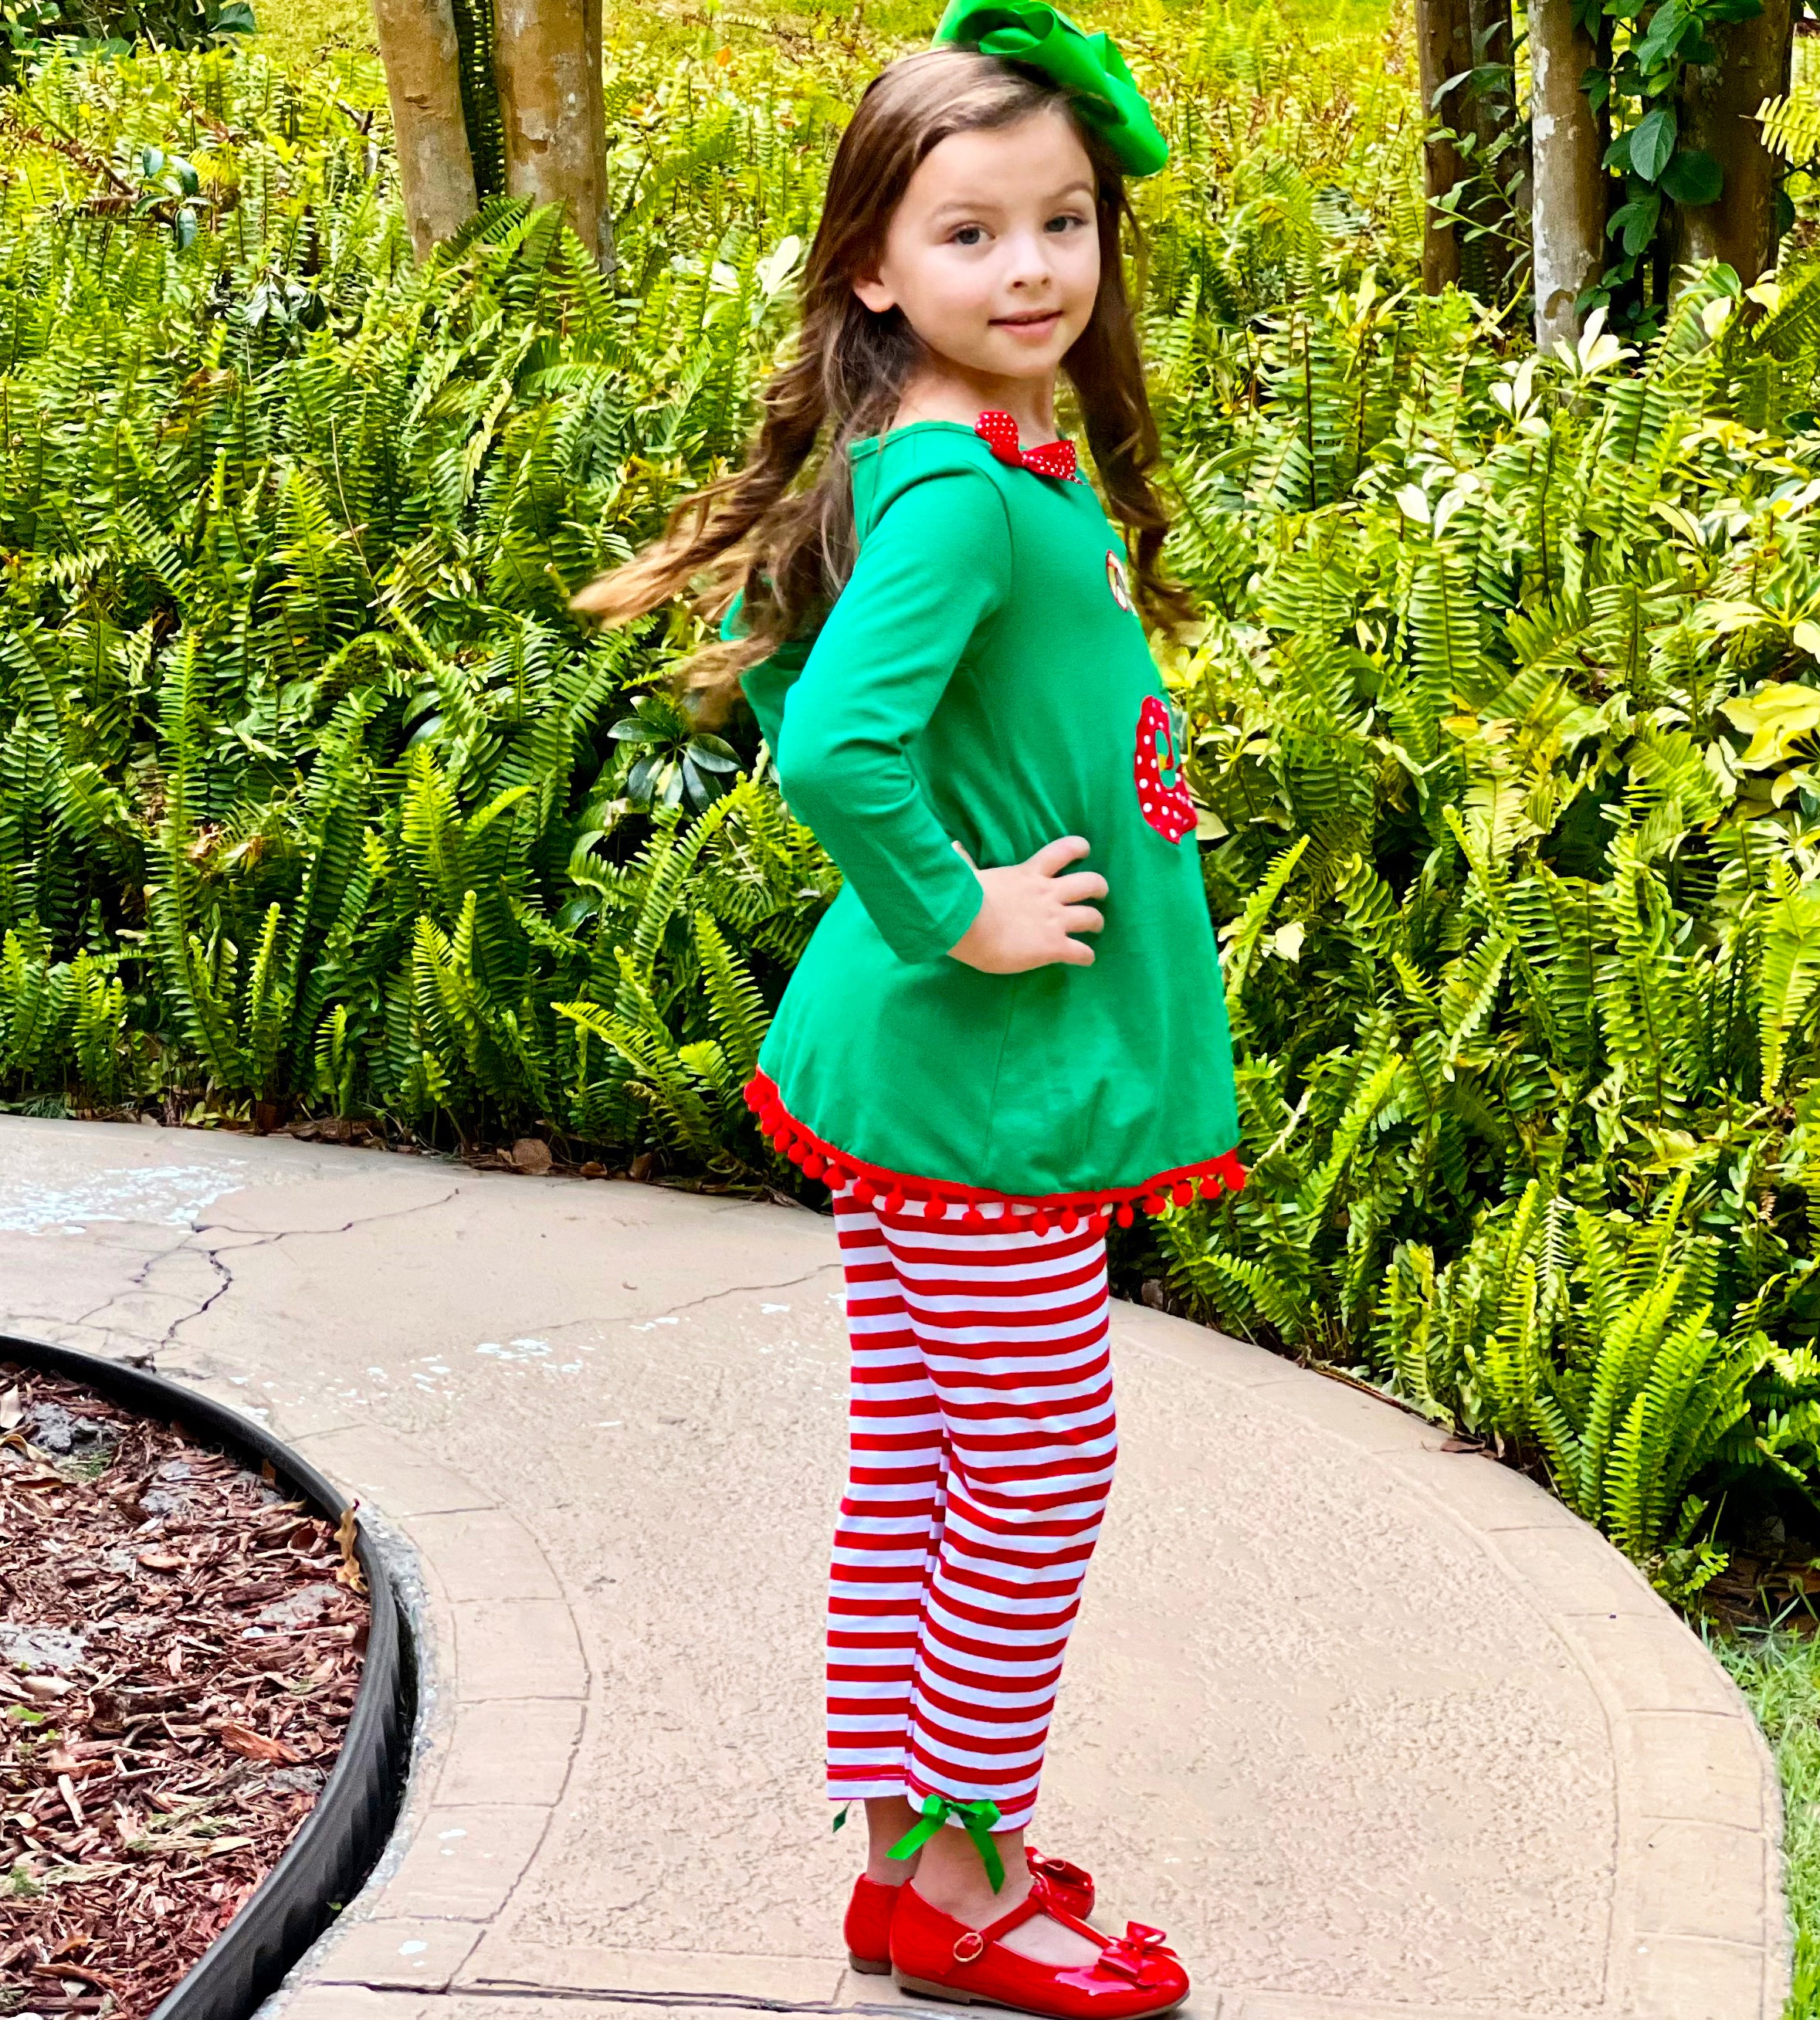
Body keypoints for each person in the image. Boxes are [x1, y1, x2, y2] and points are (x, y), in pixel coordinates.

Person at [577, 5, 1239, 2010]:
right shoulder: (956, 488)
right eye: (973, 234)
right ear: (877, 263)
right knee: (1033, 1475)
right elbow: (834, 749)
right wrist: (957, 908)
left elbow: (768, 653)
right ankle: (968, 1894)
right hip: (975, 1078)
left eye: (1062, 222)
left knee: (932, 1458)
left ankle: (921, 1866)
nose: (1032, 268)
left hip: (940, 1078)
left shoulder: (956, 459)